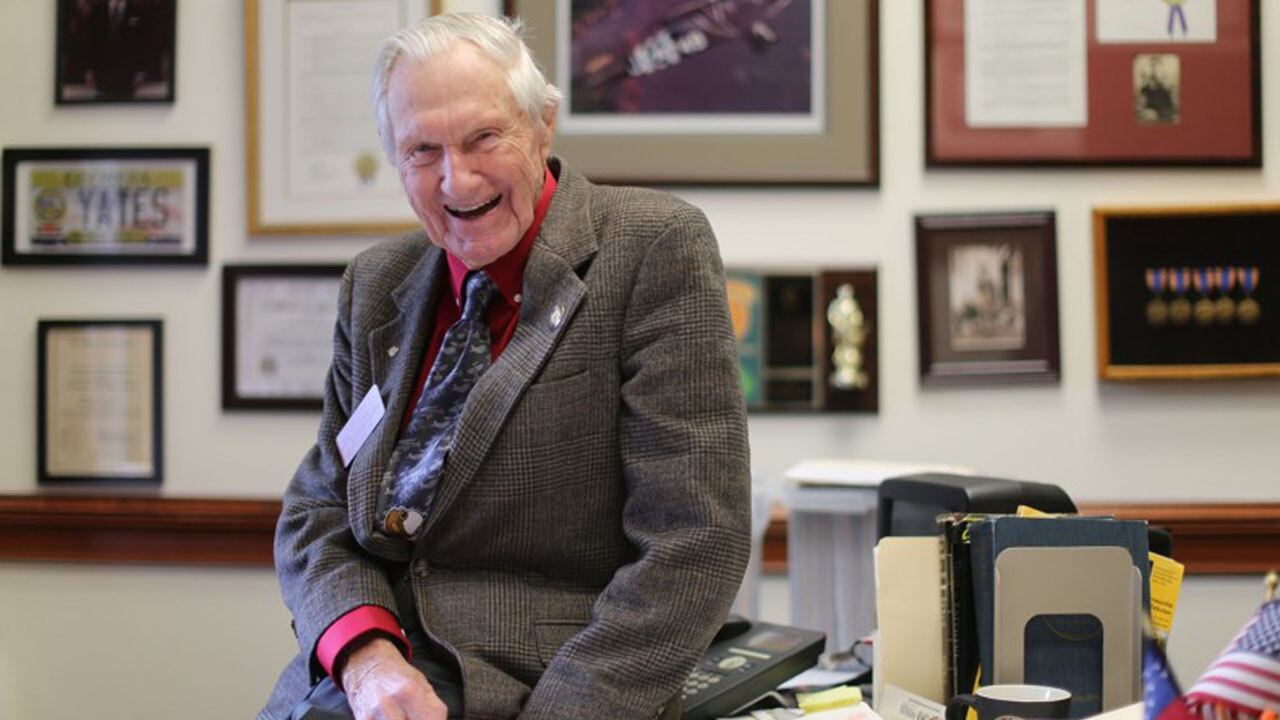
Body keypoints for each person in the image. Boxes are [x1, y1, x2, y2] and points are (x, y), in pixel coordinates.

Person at [259, 12, 751, 720]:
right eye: (422, 150)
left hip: (546, 686)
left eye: (483, 137)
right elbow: (317, 510)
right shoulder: (375, 283)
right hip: (356, 688)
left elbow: (695, 540)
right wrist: (366, 659)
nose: (457, 179)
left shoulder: (651, 247)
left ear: (543, 124)